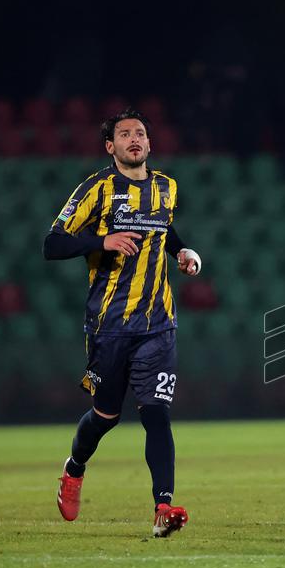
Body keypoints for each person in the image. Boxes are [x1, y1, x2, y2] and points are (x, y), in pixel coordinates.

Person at [43, 108, 203, 538]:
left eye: (141, 133)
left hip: (158, 325)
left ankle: (163, 508)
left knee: (156, 413)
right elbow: (52, 243)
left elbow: (163, 231)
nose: (135, 139)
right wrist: (101, 241)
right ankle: (74, 468)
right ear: (110, 146)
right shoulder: (96, 189)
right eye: (125, 134)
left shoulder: (166, 188)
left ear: (149, 144)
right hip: (109, 326)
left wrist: (182, 253)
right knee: (105, 416)